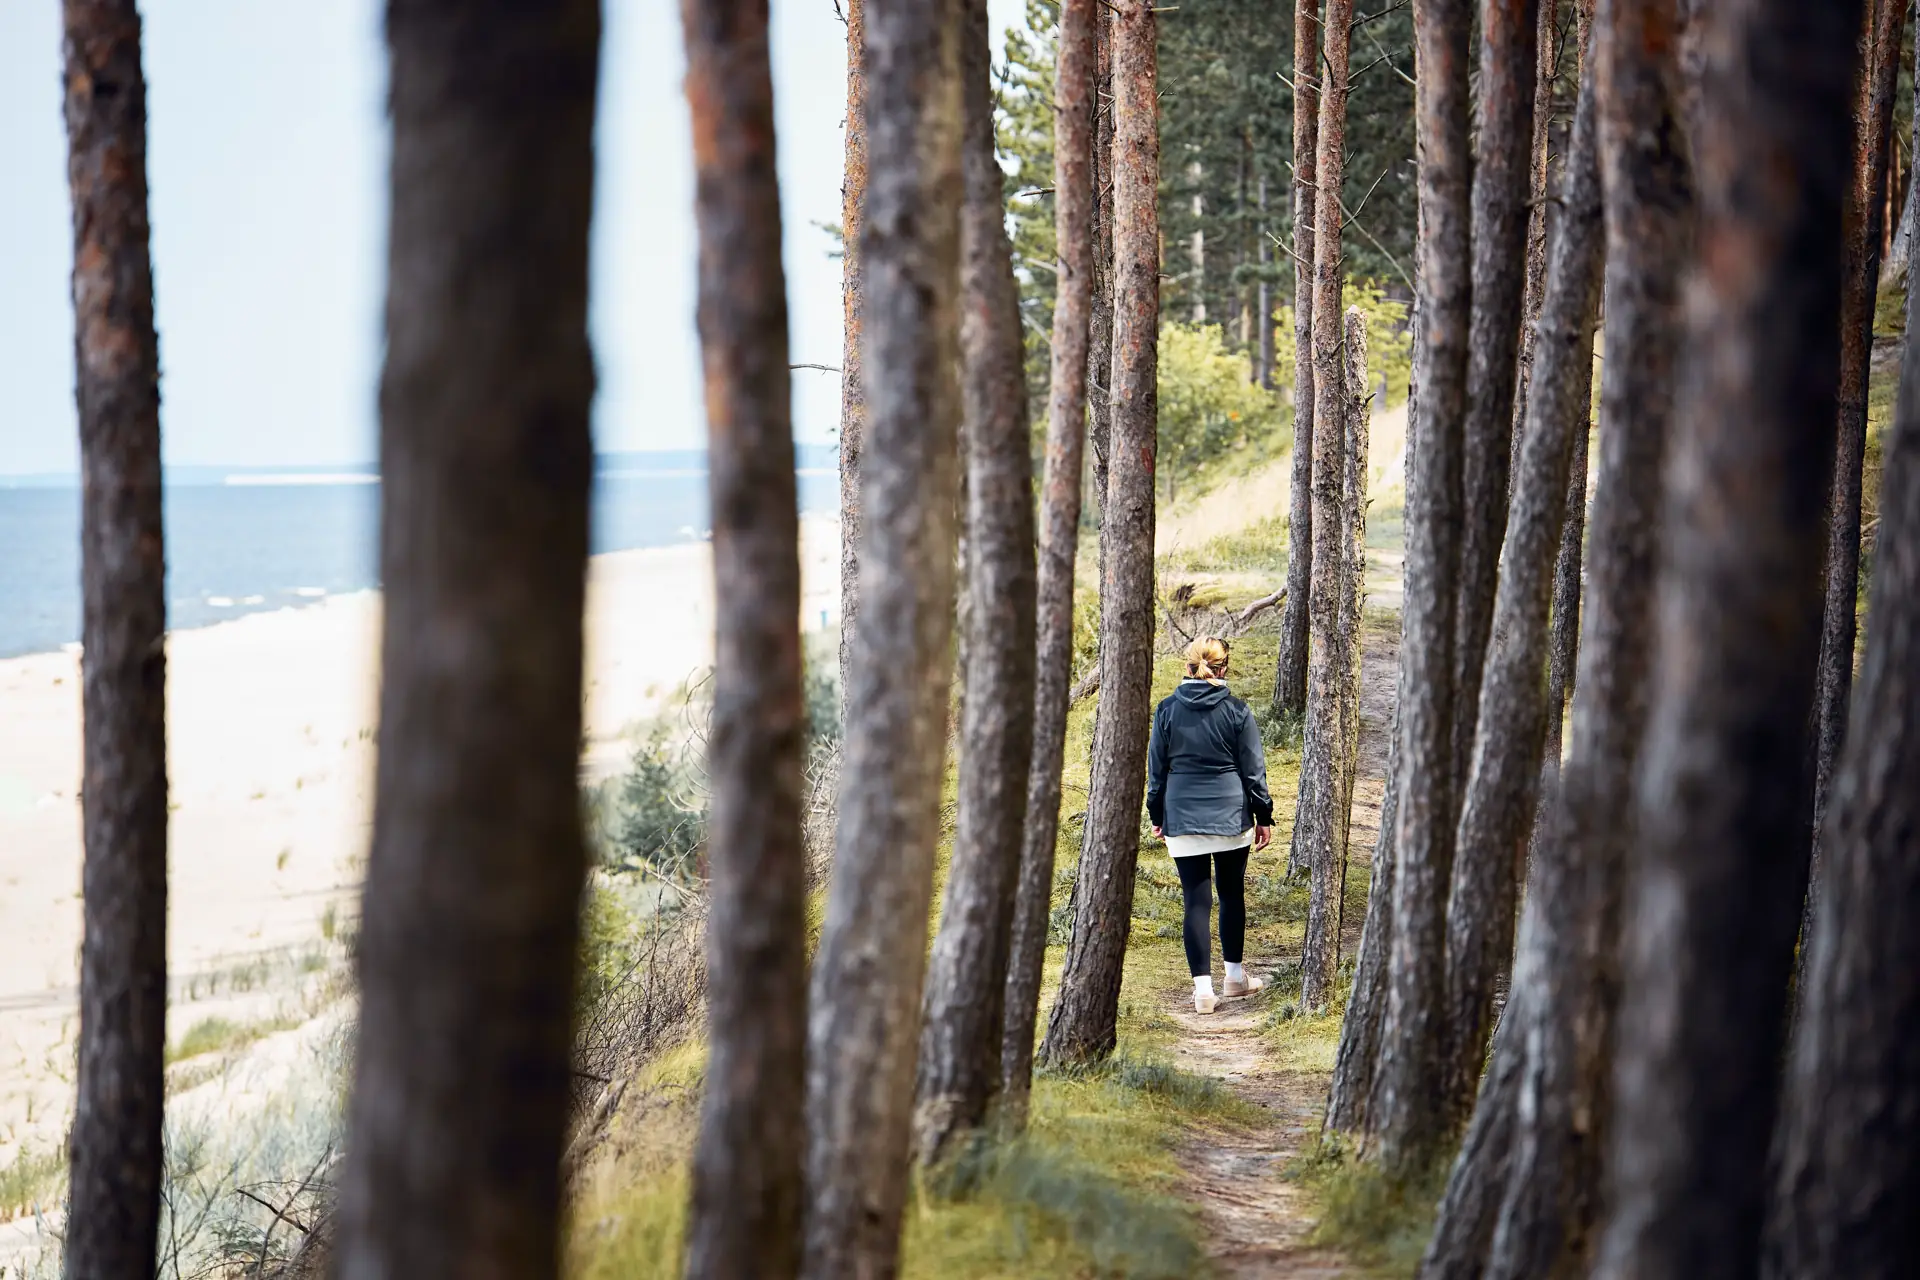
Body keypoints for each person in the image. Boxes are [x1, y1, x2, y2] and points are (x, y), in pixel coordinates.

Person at [1146, 635, 1274, 1014]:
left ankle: (1203, 991)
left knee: (1195, 901)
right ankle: (1234, 978)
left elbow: (1157, 772)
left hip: (1182, 813)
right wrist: (1263, 815)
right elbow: (1253, 770)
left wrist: (1158, 815)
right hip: (1231, 813)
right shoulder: (1237, 710)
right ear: (1224, 668)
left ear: (1188, 667)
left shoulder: (1167, 709)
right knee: (1232, 893)